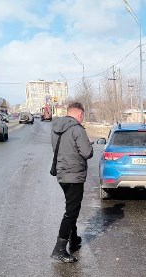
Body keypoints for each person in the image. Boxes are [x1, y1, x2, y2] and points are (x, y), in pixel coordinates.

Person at [50, 102, 93, 263]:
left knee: (71, 206)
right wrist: (89, 146)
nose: (82, 119)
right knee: (71, 211)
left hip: (62, 173)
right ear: (79, 114)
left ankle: (73, 238)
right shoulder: (77, 129)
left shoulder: (56, 128)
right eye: (82, 116)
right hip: (74, 175)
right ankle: (59, 249)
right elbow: (87, 153)